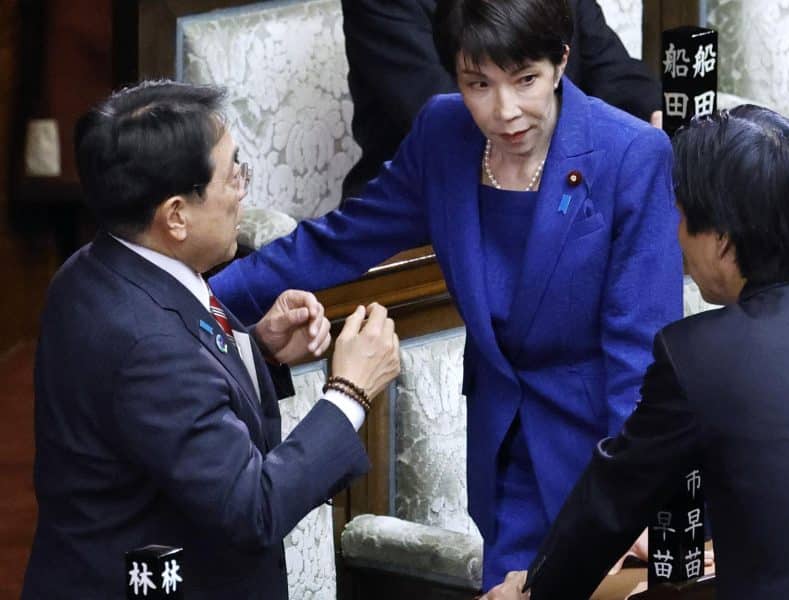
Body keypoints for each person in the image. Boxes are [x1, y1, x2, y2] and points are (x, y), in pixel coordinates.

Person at [209, 0, 682, 588]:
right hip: (502, 451)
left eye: (526, 80)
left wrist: (629, 499)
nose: (505, 110)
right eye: (478, 84)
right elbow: (339, 242)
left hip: (598, 455)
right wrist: (194, 302)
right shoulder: (443, 132)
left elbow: (640, 353)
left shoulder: (630, 155)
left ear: (561, 62)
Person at [486, 105, 789, 599]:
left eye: (683, 219)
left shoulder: (699, 356)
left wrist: (536, 591)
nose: (679, 239)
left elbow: (611, 501)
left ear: (723, 241)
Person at [23, 81, 400, 600]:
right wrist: (350, 393)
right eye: (232, 174)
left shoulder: (96, 268)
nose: (243, 188)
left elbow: (161, 411)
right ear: (176, 215)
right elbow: (252, 509)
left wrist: (258, 351)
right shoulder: (146, 344)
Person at [341, 0, 663, 198]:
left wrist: (647, 126)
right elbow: (450, 115)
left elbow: (617, 73)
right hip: (425, 202)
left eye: (525, 78)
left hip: (568, 182)